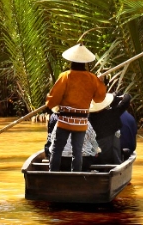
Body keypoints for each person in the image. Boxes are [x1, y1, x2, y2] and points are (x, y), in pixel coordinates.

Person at [45, 43, 107, 172]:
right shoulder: (92, 79)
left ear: (71, 61)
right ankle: (76, 175)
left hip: (65, 122)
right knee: (77, 151)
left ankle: (53, 174)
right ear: (84, 63)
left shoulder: (66, 76)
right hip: (81, 122)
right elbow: (99, 98)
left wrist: (48, 105)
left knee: (57, 149)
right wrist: (101, 84)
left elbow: (55, 96)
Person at [89, 92, 132, 164]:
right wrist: (121, 96)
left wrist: (114, 97)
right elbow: (125, 101)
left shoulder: (90, 116)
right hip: (109, 148)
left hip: (97, 149)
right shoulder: (111, 113)